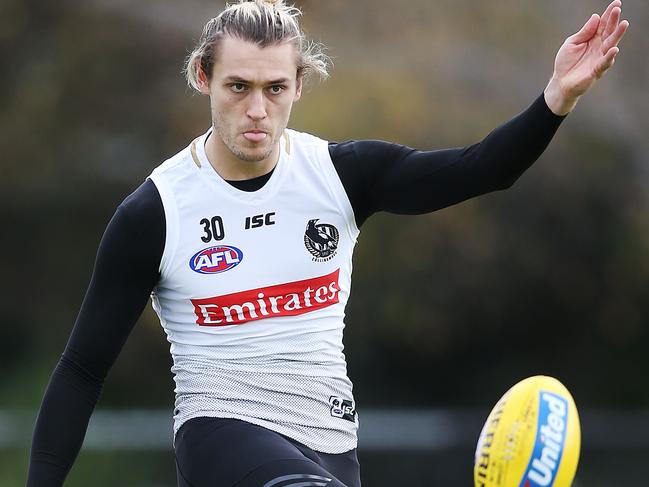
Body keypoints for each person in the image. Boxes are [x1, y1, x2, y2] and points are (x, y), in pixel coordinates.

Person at [27, 1, 629, 486]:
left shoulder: (338, 176)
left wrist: (556, 101)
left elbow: (480, 169)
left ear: (298, 85)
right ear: (202, 78)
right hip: (220, 436)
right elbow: (82, 370)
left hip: (331, 449)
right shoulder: (156, 212)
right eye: (237, 86)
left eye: (274, 88)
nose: (256, 109)